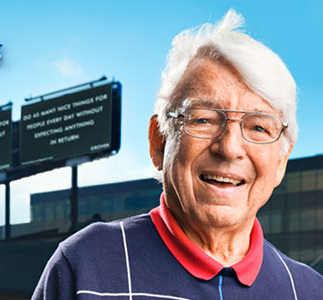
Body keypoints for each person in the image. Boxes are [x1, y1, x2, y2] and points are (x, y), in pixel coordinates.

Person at [32, 9, 323, 299]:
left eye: (258, 127)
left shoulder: (311, 290)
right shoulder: (83, 266)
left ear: (282, 161)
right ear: (159, 141)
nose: (230, 148)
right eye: (203, 119)